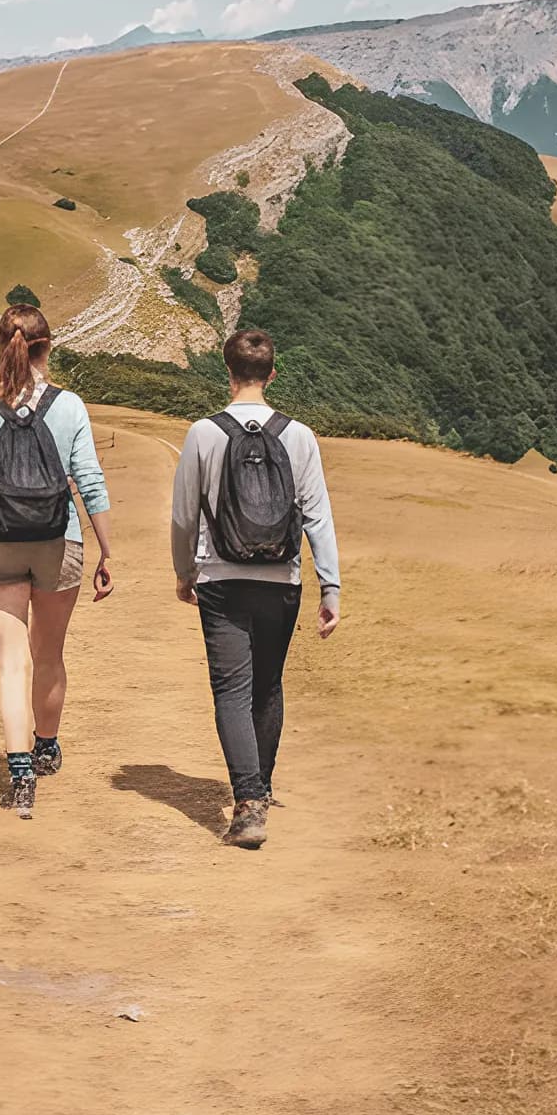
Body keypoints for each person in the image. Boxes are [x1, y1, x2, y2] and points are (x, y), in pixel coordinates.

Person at [169, 329, 341, 849]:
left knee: (231, 690)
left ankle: (247, 805)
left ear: (228, 372)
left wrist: (184, 572)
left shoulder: (204, 433)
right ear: (272, 374)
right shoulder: (300, 436)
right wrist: (330, 587)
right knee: (267, 686)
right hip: (281, 580)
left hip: (221, 579)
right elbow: (318, 516)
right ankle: (260, 788)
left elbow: (184, 515)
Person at [0, 303, 113, 819]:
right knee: (49, 655)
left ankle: (20, 776)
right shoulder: (70, 406)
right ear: (49, 347)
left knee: (11, 662)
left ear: (2, 346)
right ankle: (46, 748)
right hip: (58, 542)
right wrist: (106, 550)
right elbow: (89, 479)